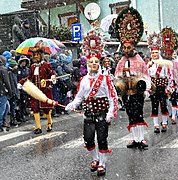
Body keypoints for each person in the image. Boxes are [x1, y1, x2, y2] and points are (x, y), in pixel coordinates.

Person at [65, 29, 118, 176]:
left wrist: (110, 113)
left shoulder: (105, 79)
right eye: (91, 62)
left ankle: (102, 163)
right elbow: (79, 97)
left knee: (102, 138)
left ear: (98, 63)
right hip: (88, 113)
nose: (94, 64)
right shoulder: (84, 80)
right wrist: (72, 104)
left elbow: (112, 96)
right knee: (88, 139)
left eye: (96, 62)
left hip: (102, 112)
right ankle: (95, 159)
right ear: (87, 64)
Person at [114, 7, 151, 148]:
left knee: (138, 114)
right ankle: (135, 139)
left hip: (137, 93)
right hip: (126, 93)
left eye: (128, 48)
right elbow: (116, 76)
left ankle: (141, 138)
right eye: (124, 48)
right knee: (130, 115)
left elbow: (146, 75)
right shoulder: (121, 61)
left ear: (133, 47)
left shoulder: (139, 60)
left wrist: (146, 89)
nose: (126, 50)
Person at [18, 41, 57, 134]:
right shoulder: (32, 66)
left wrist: (52, 78)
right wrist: (22, 82)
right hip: (35, 90)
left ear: (41, 55)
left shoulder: (46, 65)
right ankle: (38, 127)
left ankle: (49, 122)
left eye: (37, 55)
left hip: (45, 90)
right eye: (34, 55)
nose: (35, 57)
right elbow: (30, 77)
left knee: (46, 108)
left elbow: (52, 73)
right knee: (35, 107)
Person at [146, 31, 174, 132]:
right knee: (154, 106)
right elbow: (146, 76)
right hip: (154, 87)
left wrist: (170, 87)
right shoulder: (148, 64)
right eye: (153, 53)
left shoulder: (165, 63)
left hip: (162, 86)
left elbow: (169, 76)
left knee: (163, 105)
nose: (154, 54)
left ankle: (165, 123)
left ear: (159, 52)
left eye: (156, 52)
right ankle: (156, 124)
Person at [0, 55, 12, 132]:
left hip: (1, 90)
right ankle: (1, 123)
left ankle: (4, 122)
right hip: (2, 91)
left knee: (7, 107)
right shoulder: (3, 69)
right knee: (3, 108)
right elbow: (7, 82)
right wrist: (10, 91)